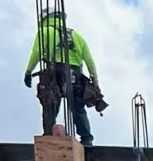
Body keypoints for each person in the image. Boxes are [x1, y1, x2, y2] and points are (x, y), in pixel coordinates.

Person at [23, 11, 105, 144]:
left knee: (50, 105)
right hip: (76, 74)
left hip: (56, 72)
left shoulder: (45, 31)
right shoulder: (76, 35)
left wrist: (28, 71)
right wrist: (95, 81)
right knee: (78, 107)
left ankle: (49, 136)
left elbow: (37, 52)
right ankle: (86, 140)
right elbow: (89, 59)